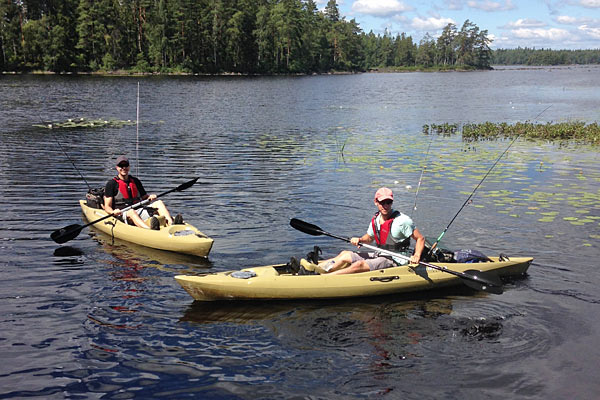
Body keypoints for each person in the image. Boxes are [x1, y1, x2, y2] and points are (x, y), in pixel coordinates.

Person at [302, 187, 425, 275]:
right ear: (376, 202)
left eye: (388, 202)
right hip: (380, 254)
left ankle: (326, 278)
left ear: (392, 202)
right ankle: (316, 269)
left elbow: (420, 238)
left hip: (396, 259)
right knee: (345, 254)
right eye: (382, 202)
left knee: (358, 265)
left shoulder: (403, 221)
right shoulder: (376, 219)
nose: (385, 206)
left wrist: (417, 255)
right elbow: (369, 238)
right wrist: (360, 240)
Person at [103, 155, 182, 230]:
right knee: (131, 212)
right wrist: (113, 212)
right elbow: (107, 206)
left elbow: (144, 197)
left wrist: (150, 197)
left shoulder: (135, 181)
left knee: (159, 203)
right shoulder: (111, 184)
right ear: (117, 168)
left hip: (138, 210)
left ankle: (171, 224)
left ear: (129, 167)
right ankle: (149, 230)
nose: (124, 168)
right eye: (121, 166)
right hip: (122, 213)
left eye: (126, 165)